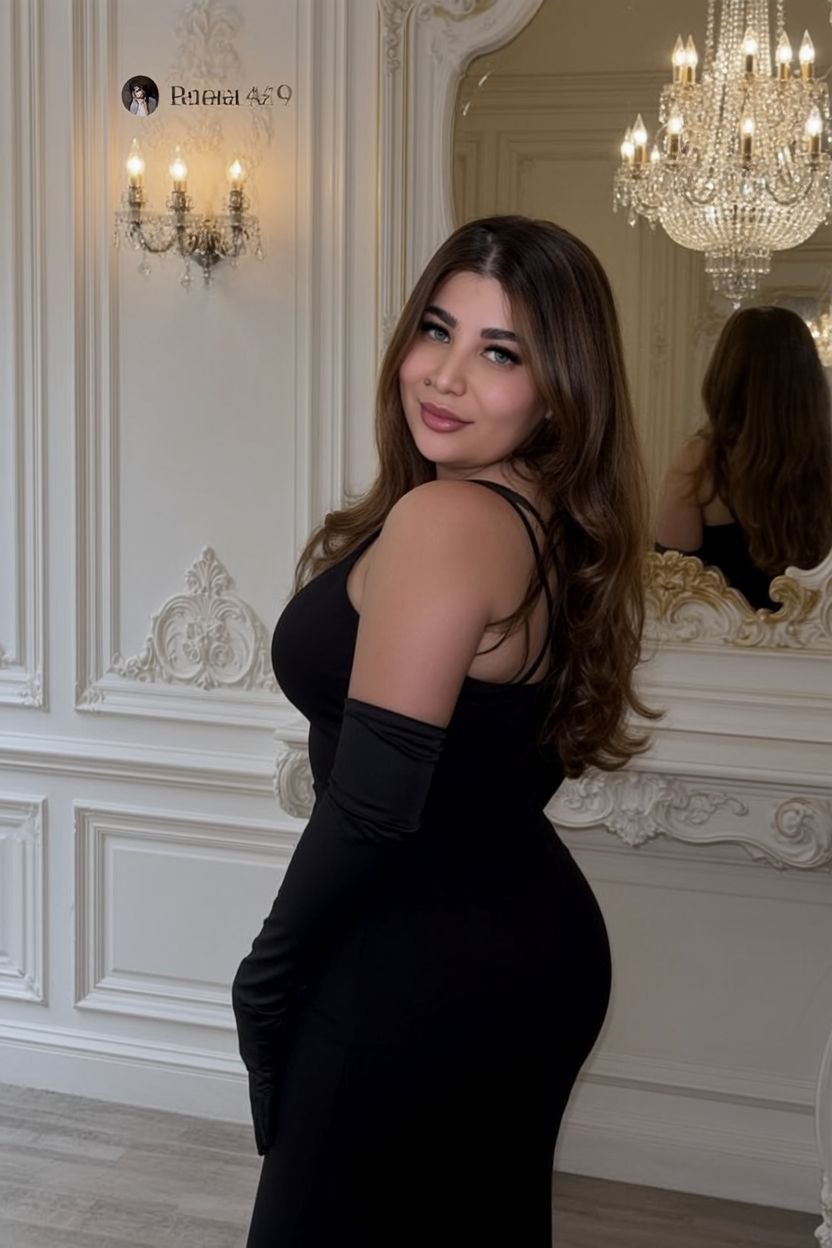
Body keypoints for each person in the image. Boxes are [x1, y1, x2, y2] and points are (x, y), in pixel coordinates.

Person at [231, 214, 660, 1247]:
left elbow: (371, 806)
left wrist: (263, 982)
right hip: (512, 950)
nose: (445, 375)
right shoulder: (543, 519)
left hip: (419, 963)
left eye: (499, 353)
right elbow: (511, 766)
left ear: (560, 390)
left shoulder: (450, 522)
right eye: (436, 330)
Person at [655, 305, 832, 611]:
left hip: (725, 639)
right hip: (818, 638)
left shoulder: (699, 461)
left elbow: (670, 587)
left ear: (727, 374)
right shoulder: (824, 460)